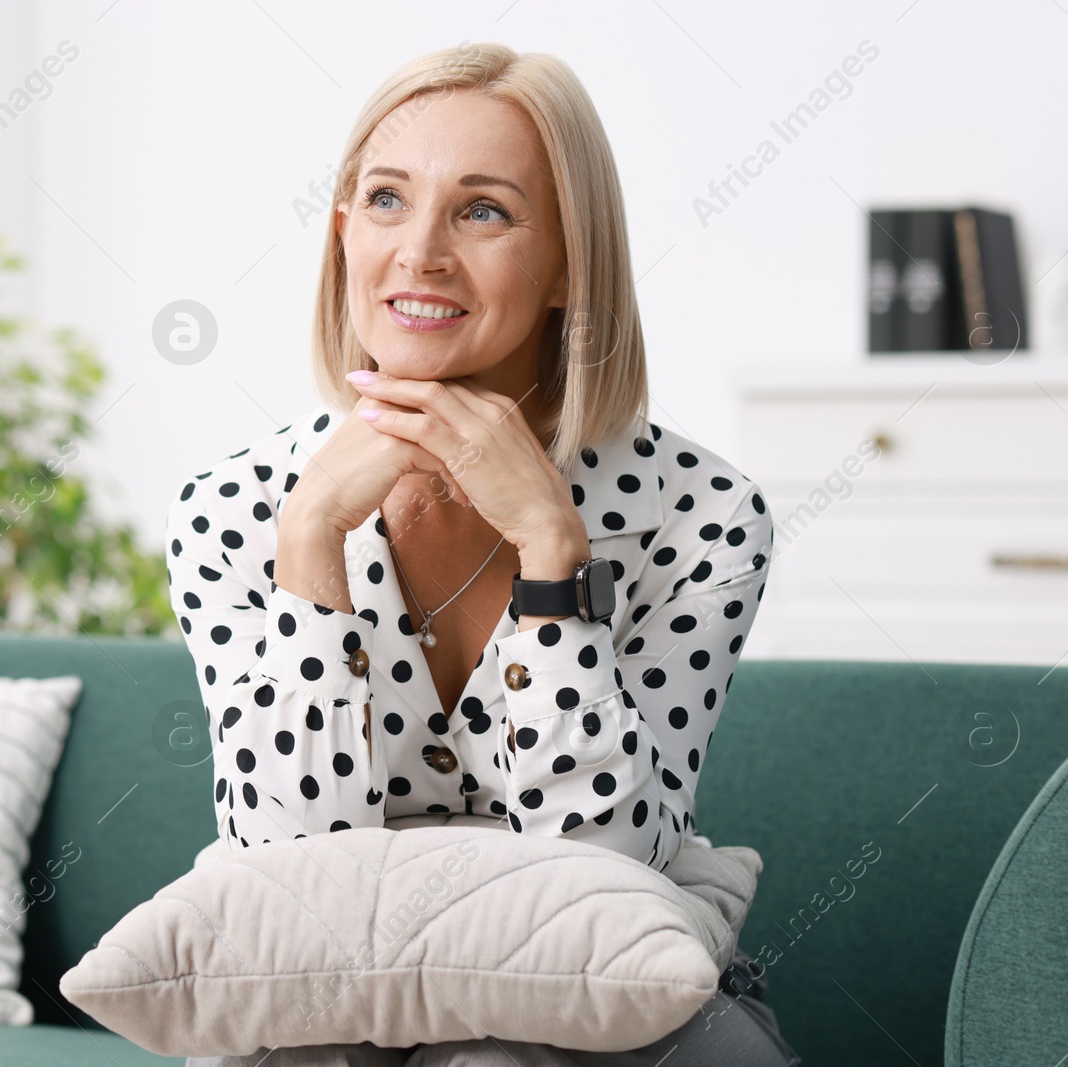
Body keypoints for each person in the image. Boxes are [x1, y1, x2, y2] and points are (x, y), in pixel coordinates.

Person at [166, 40, 797, 1067]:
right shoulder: (231, 509)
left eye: (483, 210)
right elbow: (281, 874)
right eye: (384, 200)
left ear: (566, 268)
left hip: (608, 988)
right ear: (341, 234)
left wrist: (552, 553)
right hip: (329, 998)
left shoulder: (703, 513)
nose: (419, 251)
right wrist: (309, 542)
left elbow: (606, 867)